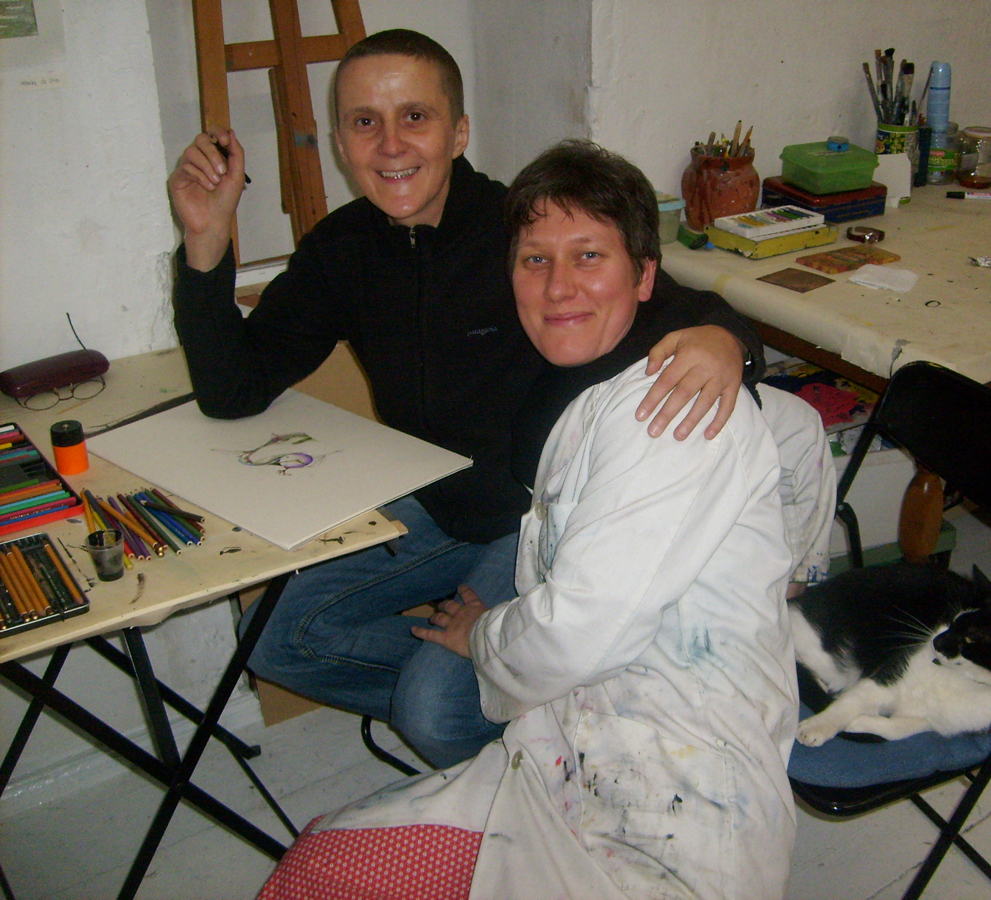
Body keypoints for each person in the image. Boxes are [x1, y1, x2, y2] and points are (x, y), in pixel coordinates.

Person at [255, 140, 836, 900]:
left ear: (645, 277)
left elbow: (578, 628)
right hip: (562, 731)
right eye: (536, 261)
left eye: (588, 256)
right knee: (319, 855)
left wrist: (486, 637)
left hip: (677, 796)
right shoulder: (573, 383)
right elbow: (792, 428)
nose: (559, 286)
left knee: (402, 760)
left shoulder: (671, 412)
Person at [167, 29, 763, 767]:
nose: (391, 144)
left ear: (458, 132)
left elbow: (667, 300)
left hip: (531, 515)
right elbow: (233, 390)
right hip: (439, 505)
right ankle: (534, 690)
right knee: (273, 641)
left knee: (431, 710)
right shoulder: (341, 250)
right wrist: (205, 242)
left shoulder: (523, 227)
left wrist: (727, 340)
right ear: (341, 143)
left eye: (415, 117)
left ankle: (500, 694)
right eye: (365, 122)